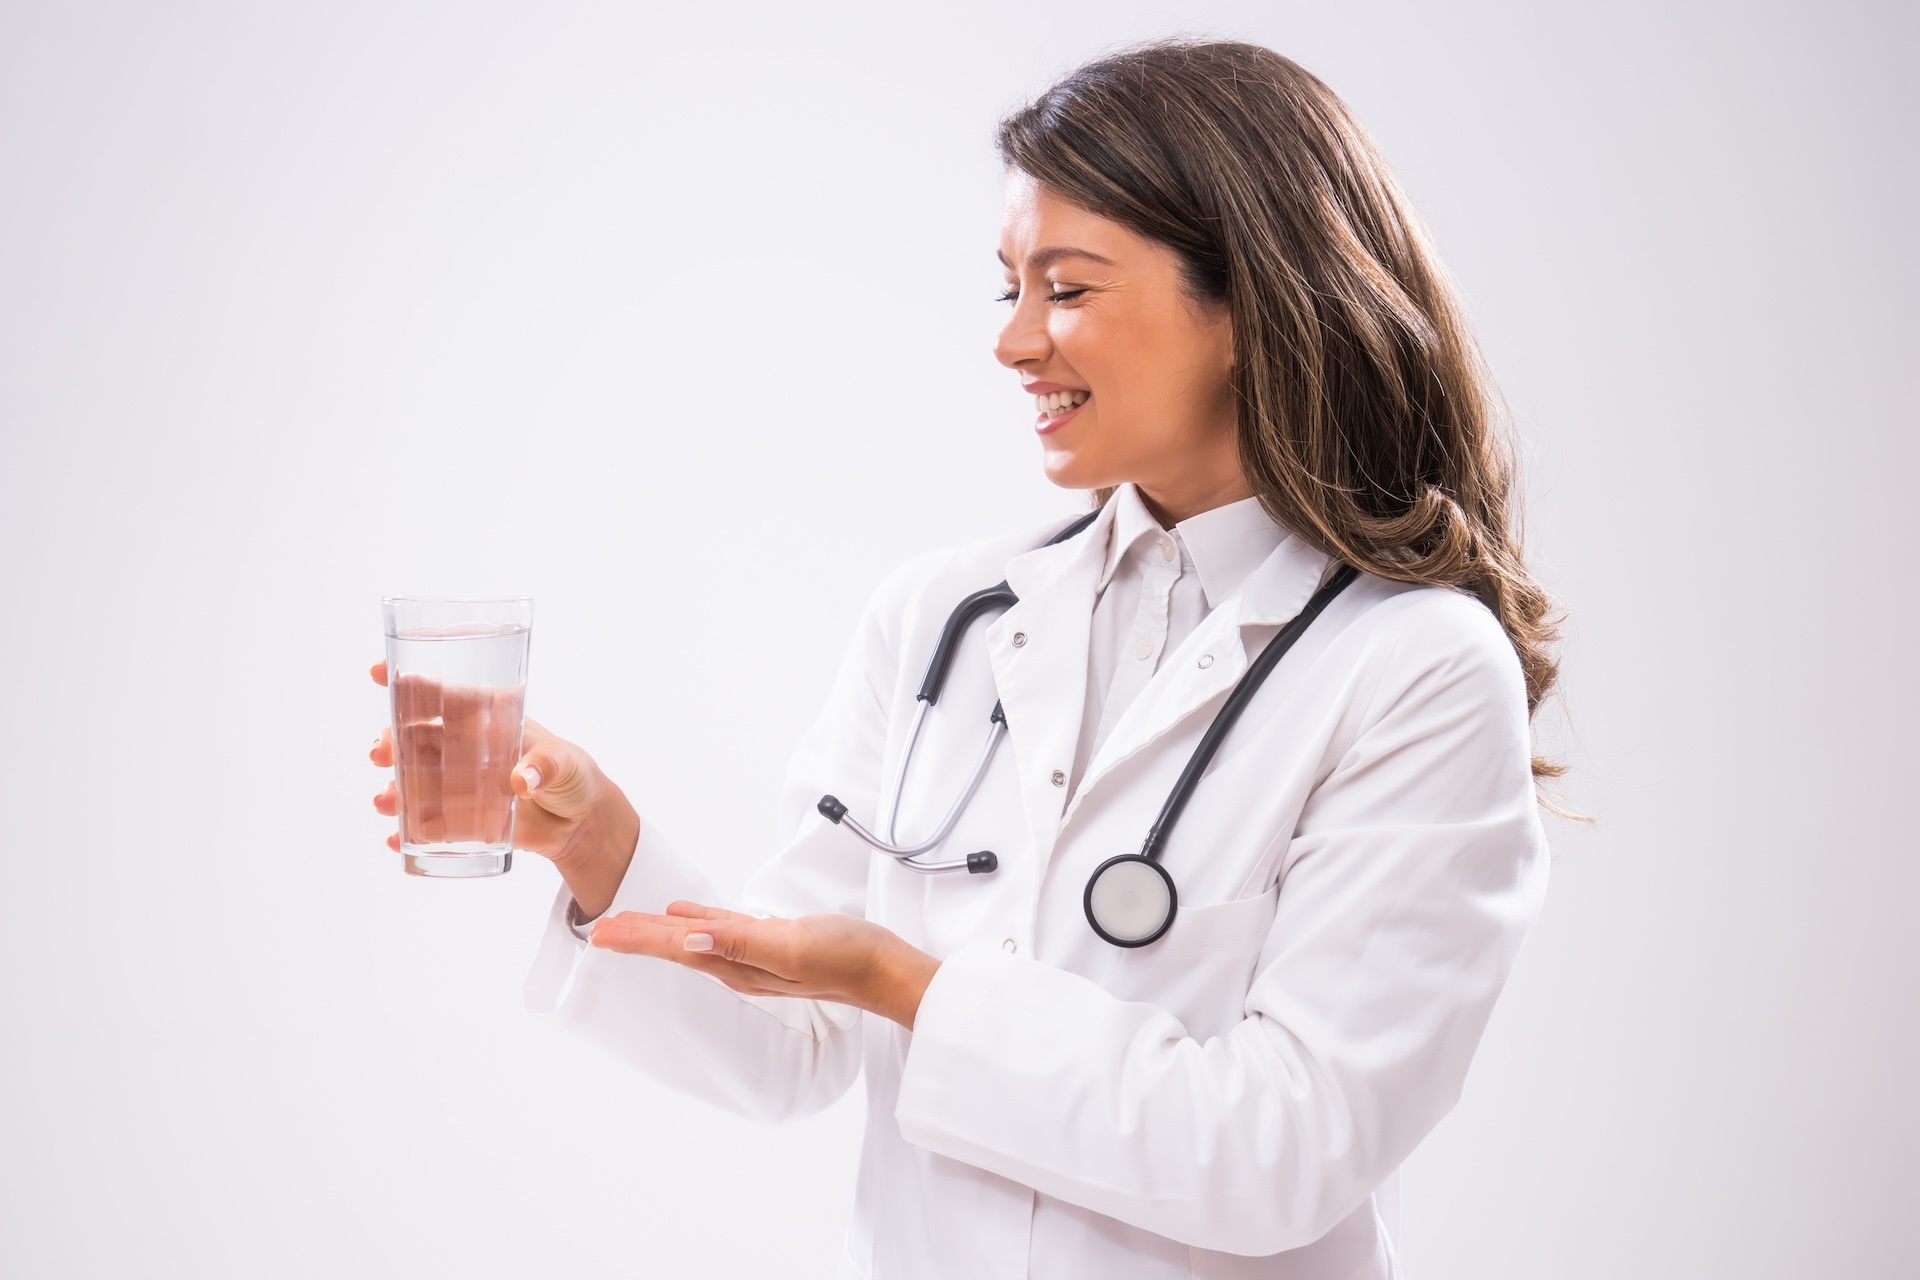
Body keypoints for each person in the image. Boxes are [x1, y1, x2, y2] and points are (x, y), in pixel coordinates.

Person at [368, 39, 1559, 1279]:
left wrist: (910, 985)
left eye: (1072, 289)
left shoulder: (1415, 668)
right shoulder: (948, 619)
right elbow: (799, 1046)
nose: (1016, 343)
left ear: (1248, 305)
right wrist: (601, 848)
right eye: (1012, 290)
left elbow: (1283, 1149)